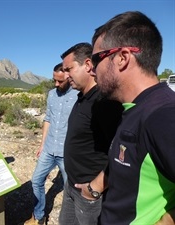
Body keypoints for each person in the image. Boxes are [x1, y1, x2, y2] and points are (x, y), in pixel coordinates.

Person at [89, 11, 175, 224]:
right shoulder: (136, 107)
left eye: (95, 59)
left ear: (122, 58)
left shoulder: (163, 114)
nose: (91, 70)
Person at [58, 42, 123, 225]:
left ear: (87, 65)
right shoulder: (82, 98)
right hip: (71, 185)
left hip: (89, 194)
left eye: (69, 69)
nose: (65, 75)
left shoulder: (103, 102)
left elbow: (122, 153)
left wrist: (95, 189)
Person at [24, 63, 78, 225]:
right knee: (36, 181)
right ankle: (39, 216)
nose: (56, 84)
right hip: (48, 149)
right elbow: (48, 119)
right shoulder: (51, 95)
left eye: (60, 81)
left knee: (72, 190)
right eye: (54, 80)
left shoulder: (79, 95)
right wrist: (42, 145)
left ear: (68, 77)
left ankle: (72, 220)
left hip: (67, 153)